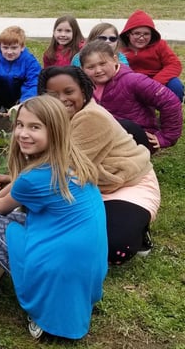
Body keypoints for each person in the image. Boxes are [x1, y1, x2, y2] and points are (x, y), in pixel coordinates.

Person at [0, 95, 107, 340]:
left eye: (34, 127)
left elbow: (2, 205)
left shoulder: (34, 179)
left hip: (60, 262)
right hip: (87, 261)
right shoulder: (71, 159)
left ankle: (44, 308)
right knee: (21, 218)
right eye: (20, 125)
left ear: (54, 131)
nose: (23, 133)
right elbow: (17, 186)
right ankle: (68, 295)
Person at [38, 66, 159, 264]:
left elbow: (55, 170)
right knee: (68, 237)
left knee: (115, 249)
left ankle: (139, 229)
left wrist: (0, 202)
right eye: (52, 94)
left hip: (125, 183)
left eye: (69, 92)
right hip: (87, 183)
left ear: (84, 91)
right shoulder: (51, 118)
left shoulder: (90, 117)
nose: (61, 99)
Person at [79, 40, 182, 151]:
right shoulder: (85, 86)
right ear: (82, 69)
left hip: (136, 137)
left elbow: (170, 101)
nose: (98, 70)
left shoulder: (133, 80)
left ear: (115, 59)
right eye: (90, 67)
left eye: (103, 63)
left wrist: (167, 137)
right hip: (106, 136)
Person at [119, 9, 184, 101]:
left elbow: (174, 64)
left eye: (146, 34)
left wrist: (155, 83)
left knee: (175, 85)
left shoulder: (160, 45)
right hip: (132, 83)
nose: (141, 38)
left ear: (152, 34)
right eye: (137, 34)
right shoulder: (119, 48)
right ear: (128, 34)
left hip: (158, 79)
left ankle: (172, 112)